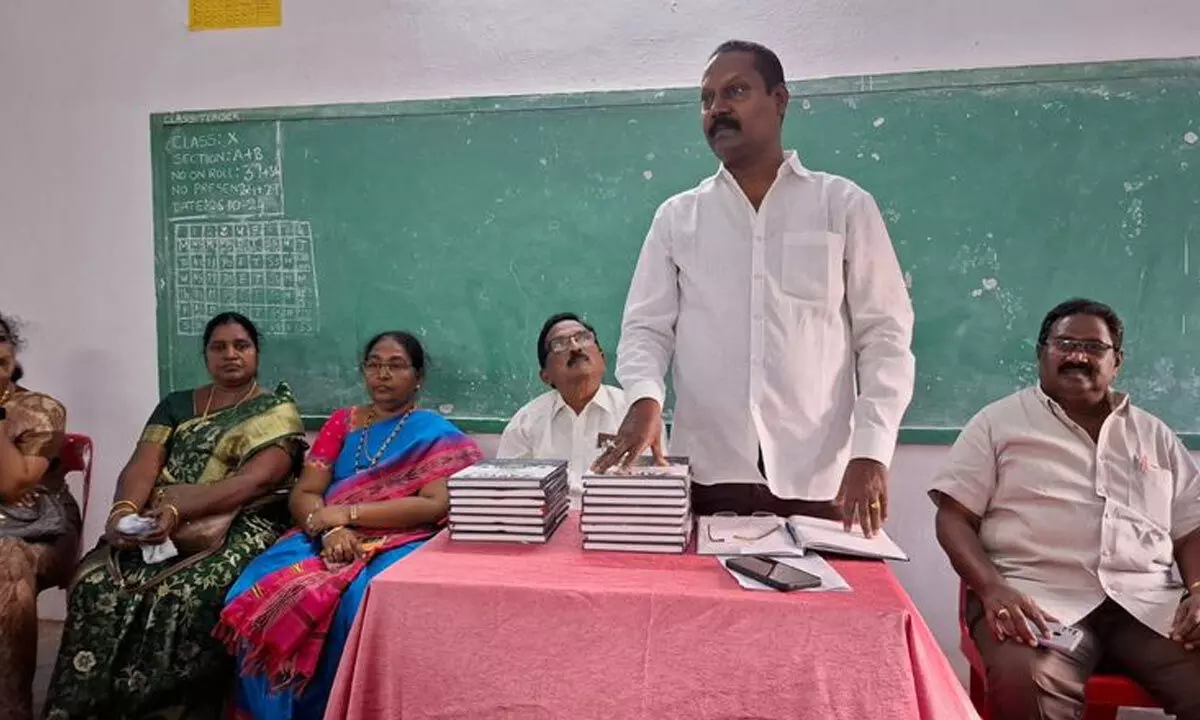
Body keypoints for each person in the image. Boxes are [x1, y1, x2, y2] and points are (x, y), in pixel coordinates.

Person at [596, 39, 915, 535]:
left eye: (736, 91)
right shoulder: (679, 217)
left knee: (820, 612)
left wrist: (872, 452)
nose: (717, 109)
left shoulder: (843, 205)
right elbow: (646, 328)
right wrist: (643, 399)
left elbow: (885, 339)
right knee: (708, 613)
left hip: (822, 476)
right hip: (707, 472)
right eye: (706, 99)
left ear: (780, 99)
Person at [931, 298, 1200, 719]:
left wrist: (1198, 592)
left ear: (1117, 362)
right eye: (1065, 343)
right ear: (1042, 353)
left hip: (1148, 606)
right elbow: (953, 517)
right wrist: (991, 588)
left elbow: (1191, 528)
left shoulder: (1155, 435)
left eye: (1094, 347)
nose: (1077, 355)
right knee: (1030, 686)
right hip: (1035, 599)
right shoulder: (997, 423)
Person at [43, 312, 306, 720]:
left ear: (256, 352)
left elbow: (255, 481)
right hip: (158, 521)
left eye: (241, 346)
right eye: (218, 347)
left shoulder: (274, 410)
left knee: (190, 591)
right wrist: (125, 513)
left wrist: (178, 508)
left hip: (238, 520)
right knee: (94, 582)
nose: (230, 355)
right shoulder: (177, 404)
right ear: (205, 355)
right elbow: (143, 464)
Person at [217, 331, 482, 720]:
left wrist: (349, 516)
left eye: (395, 365)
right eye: (374, 365)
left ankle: (341, 709)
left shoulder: (435, 434)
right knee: (254, 590)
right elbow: (306, 492)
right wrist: (330, 530)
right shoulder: (342, 423)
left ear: (418, 376)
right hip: (321, 534)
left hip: (398, 539)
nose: (383, 375)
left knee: (358, 603)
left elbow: (433, 505)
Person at [0, 313, 80, 720]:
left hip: (39, 529)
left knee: (6, 562)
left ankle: (12, 710)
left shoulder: (40, 410)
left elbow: (14, 486)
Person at [498, 312, 662, 502]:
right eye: (559, 344)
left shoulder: (639, 414)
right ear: (546, 376)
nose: (575, 347)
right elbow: (508, 493)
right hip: (551, 525)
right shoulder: (525, 423)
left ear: (602, 359)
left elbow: (657, 487)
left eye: (584, 338)